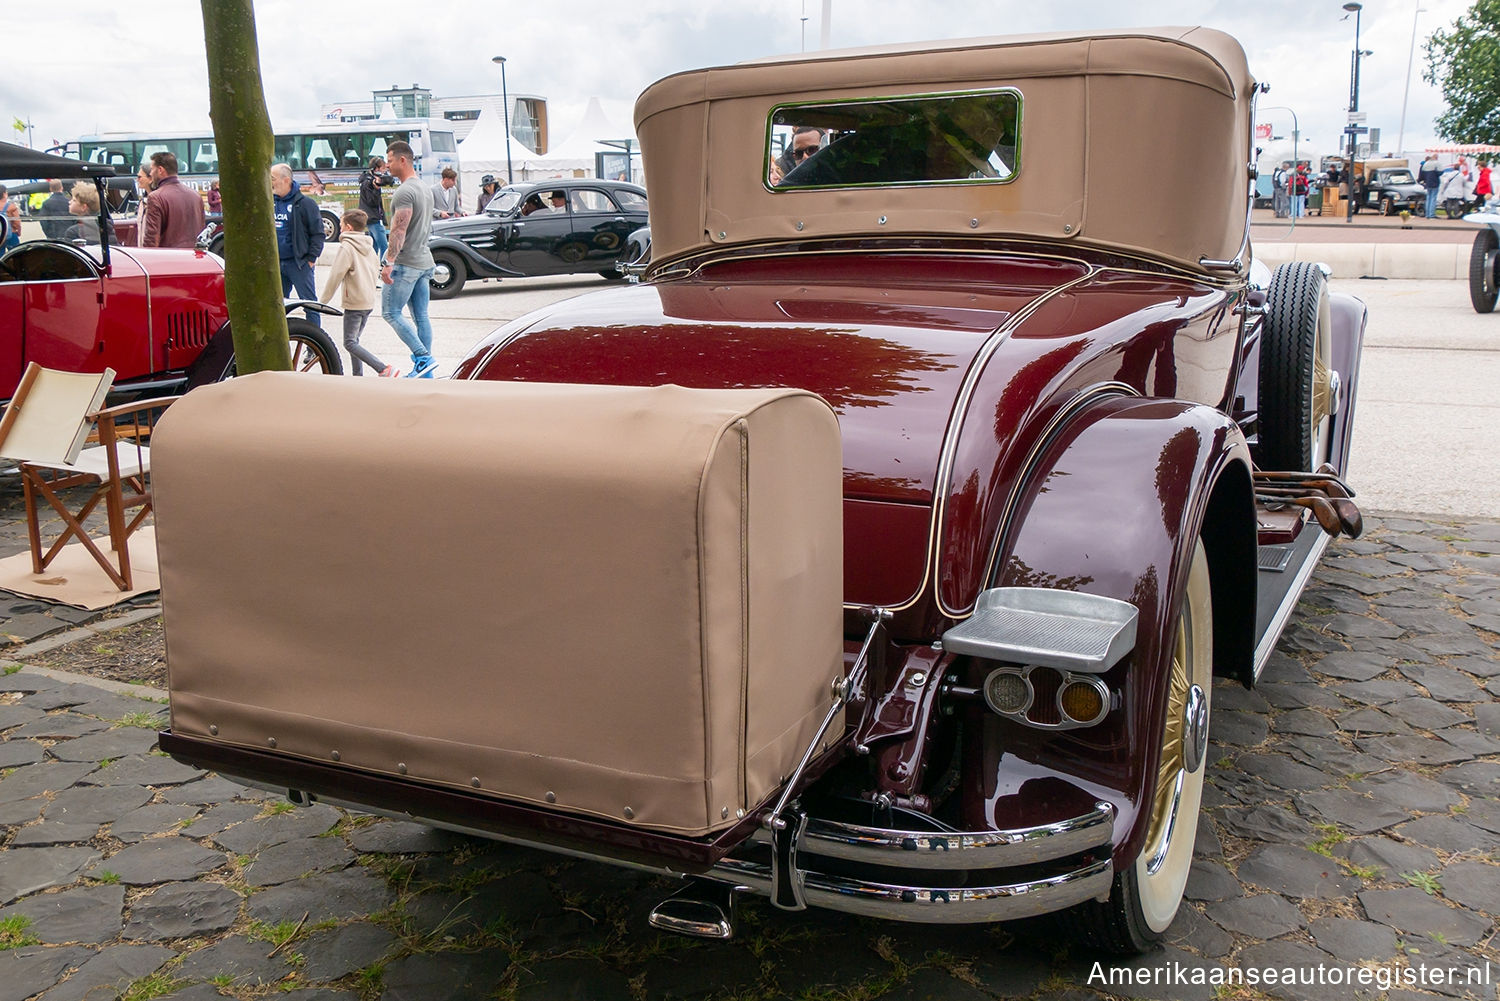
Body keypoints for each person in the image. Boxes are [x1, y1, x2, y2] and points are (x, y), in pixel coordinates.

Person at [378, 140, 438, 378]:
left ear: (403, 160)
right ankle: (426, 372)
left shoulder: (405, 192)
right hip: (424, 260)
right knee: (421, 316)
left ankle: (424, 359)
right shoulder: (424, 187)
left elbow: (398, 231)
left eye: (390, 160)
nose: (387, 165)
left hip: (406, 262)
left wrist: (388, 262)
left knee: (390, 313)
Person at [321, 210, 398, 378]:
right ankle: (358, 375)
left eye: (341, 225)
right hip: (367, 301)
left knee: (349, 343)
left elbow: (336, 275)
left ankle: (383, 368)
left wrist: (323, 301)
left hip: (354, 302)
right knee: (355, 341)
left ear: (348, 227)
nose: (339, 228)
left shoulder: (347, 247)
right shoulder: (369, 246)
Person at [270, 162, 325, 326]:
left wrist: (311, 258)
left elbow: (318, 233)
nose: (269, 182)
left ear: (286, 180)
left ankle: (314, 347)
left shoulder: (305, 204)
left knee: (310, 304)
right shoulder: (269, 203)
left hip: (299, 263)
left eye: (272, 179)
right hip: (277, 263)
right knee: (277, 305)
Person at [140, 152, 205, 248]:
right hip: (194, 257)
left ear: (160, 170)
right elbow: (201, 232)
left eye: (152, 169)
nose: (150, 173)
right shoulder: (196, 195)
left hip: (169, 258)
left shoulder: (155, 197)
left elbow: (151, 239)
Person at [358, 156, 394, 261]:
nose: (384, 171)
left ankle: (371, 266)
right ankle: (384, 266)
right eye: (383, 168)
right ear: (376, 169)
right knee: (384, 246)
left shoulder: (367, 179)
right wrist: (376, 188)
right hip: (373, 218)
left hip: (371, 217)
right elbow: (372, 201)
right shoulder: (368, 183)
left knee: (374, 246)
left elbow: (389, 181)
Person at [1418, 153, 1443, 219]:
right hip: (1434, 183)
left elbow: (1422, 174)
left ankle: (1427, 214)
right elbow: (1440, 172)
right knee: (1433, 199)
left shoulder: (1426, 164)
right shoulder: (1436, 163)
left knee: (1428, 198)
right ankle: (1432, 214)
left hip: (1428, 183)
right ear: (1436, 157)